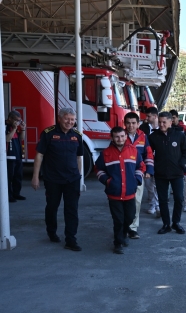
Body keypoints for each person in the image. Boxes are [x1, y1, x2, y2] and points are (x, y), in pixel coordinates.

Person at [31, 107, 84, 251]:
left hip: (72, 179)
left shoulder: (77, 136)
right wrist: (35, 176)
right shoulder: (48, 134)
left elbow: (79, 158)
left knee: (72, 210)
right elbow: (39, 155)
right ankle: (52, 232)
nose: (69, 122)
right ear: (60, 118)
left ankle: (71, 240)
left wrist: (79, 176)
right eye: (67, 119)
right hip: (53, 179)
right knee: (52, 207)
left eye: (72, 120)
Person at [94, 127, 143, 254]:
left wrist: (137, 179)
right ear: (112, 138)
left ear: (126, 136)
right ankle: (118, 242)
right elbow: (98, 169)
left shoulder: (134, 151)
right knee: (118, 219)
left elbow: (140, 166)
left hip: (129, 193)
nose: (120, 139)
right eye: (116, 136)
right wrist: (107, 181)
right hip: (114, 194)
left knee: (130, 217)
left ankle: (124, 234)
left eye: (122, 136)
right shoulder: (106, 153)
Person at [148, 111, 186, 235]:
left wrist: (182, 164)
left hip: (177, 173)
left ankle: (176, 222)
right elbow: (148, 153)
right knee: (162, 200)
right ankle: (166, 224)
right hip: (160, 173)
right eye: (159, 122)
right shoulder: (153, 137)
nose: (161, 125)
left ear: (170, 122)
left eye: (164, 122)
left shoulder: (179, 135)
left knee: (179, 198)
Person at [124, 112, 154, 239]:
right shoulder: (120, 135)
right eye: (128, 123)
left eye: (133, 123)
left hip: (137, 174)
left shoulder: (143, 136)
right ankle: (122, 226)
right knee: (123, 202)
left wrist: (149, 170)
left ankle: (132, 228)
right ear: (124, 124)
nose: (131, 126)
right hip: (122, 175)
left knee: (136, 201)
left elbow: (148, 154)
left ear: (138, 124)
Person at [140, 106, 160, 217]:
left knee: (158, 185)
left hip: (160, 161)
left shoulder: (163, 127)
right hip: (147, 160)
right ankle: (152, 204)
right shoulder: (143, 128)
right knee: (149, 185)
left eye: (148, 116)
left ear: (155, 116)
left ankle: (157, 206)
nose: (146, 118)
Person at [5, 111, 26, 202]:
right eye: (16, 120)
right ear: (10, 119)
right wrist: (13, 128)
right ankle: (8, 195)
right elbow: (6, 139)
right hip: (9, 156)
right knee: (9, 177)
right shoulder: (4, 126)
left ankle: (16, 193)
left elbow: (21, 138)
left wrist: (23, 129)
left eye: (19, 120)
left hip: (17, 155)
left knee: (18, 176)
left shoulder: (16, 127)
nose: (18, 122)